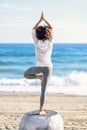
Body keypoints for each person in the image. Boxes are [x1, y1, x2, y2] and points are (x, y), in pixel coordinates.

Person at [24, 11, 53, 114]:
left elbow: (33, 29)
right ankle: (41, 109)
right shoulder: (50, 41)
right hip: (48, 68)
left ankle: (38, 77)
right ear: (47, 33)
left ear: (38, 34)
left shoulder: (36, 42)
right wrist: (44, 20)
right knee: (43, 90)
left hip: (38, 67)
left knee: (26, 74)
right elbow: (51, 27)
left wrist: (40, 20)